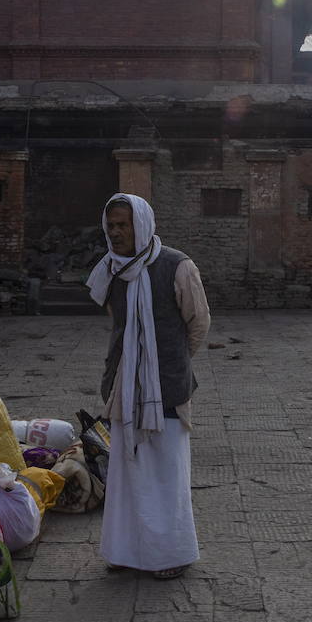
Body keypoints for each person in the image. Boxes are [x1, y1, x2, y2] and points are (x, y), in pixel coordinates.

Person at [86, 193, 210, 580]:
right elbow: (118, 324)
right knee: (125, 471)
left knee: (166, 473)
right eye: (111, 226)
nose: (117, 232)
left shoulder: (177, 265)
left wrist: (165, 362)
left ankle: (170, 555)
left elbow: (198, 324)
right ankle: (126, 552)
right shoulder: (110, 269)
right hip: (124, 386)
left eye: (124, 224)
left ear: (142, 224)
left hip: (166, 387)